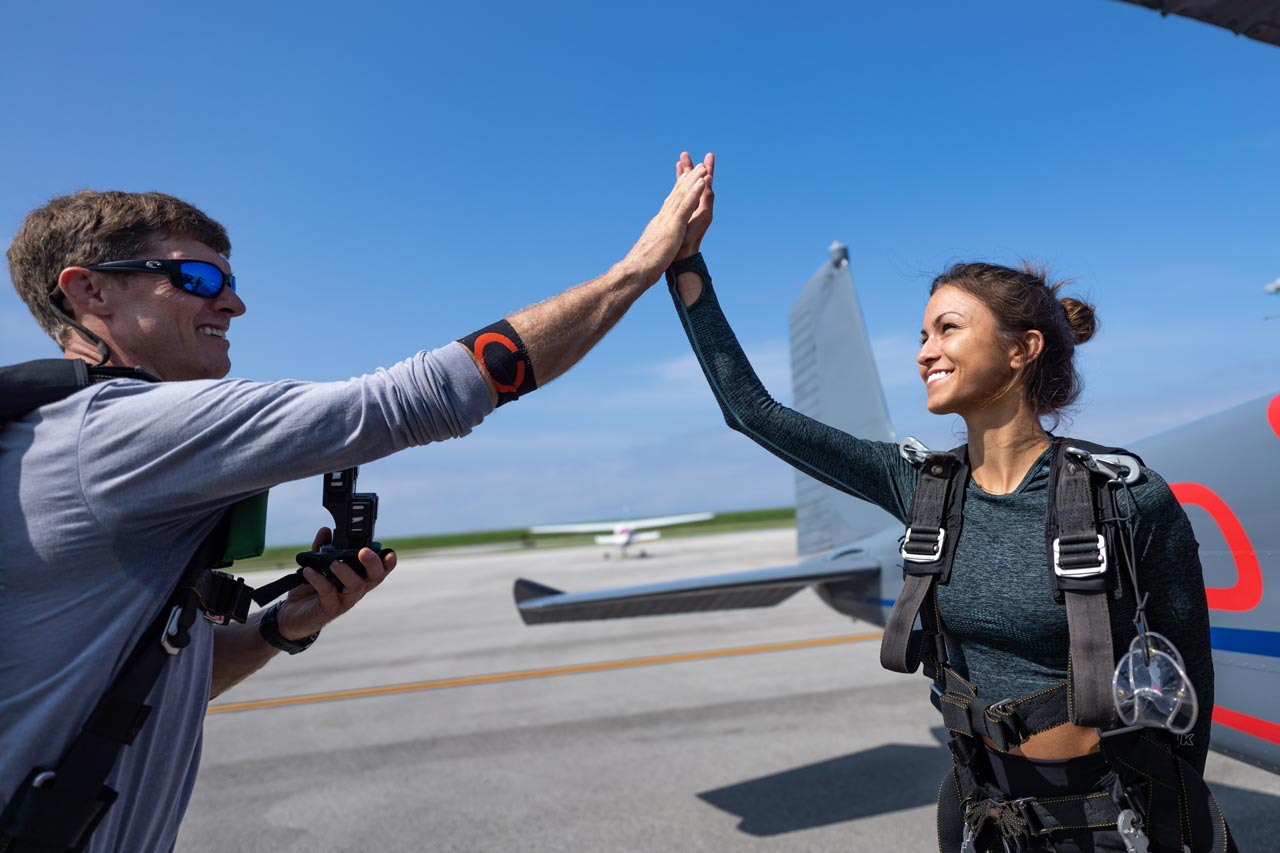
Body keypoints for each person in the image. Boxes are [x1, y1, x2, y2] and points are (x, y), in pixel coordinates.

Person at [0, 161, 709, 852]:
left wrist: (280, 627)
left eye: (231, 281)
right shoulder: (120, 428)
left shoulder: (61, 433)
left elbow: (141, 701)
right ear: (89, 292)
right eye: (199, 278)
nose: (233, 303)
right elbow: (412, 399)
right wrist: (637, 270)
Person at [664, 152, 1232, 852]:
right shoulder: (924, 489)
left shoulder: (1127, 499)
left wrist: (1175, 827)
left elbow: (1190, 688)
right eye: (922, 334)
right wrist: (686, 268)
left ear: (1023, 349)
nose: (924, 352)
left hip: (1112, 826)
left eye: (947, 329)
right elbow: (752, 412)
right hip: (983, 817)